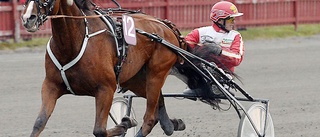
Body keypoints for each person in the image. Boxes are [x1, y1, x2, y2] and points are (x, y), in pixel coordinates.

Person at [182, 1, 245, 96]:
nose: (234, 22)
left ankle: (217, 86)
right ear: (220, 20)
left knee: (213, 68)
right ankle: (198, 84)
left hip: (224, 76)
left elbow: (237, 58)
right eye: (231, 20)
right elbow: (184, 47)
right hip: (200, 73)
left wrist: (219, 50)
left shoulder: (235, 36)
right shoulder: (199, 33)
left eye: (234, 19)